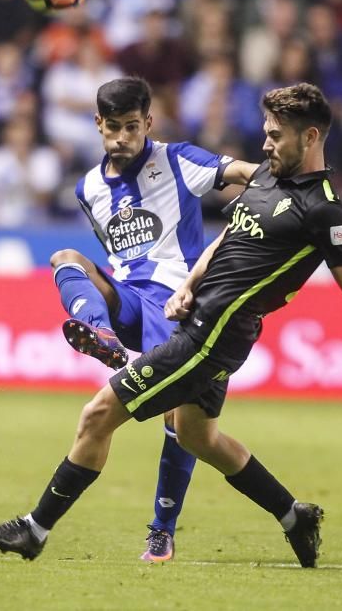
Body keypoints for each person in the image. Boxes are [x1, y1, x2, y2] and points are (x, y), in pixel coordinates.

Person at [0, 82, 342, 568]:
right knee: (199, 437)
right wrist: (188, 283)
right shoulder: (268, 181)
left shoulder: (324, 210)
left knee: (99, 414)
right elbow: (227, 239)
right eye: (265, 133)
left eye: (275, 136)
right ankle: (293, 515)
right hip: (198, 316)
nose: (265, 145)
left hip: (211, 336)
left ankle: (35, 529)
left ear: (309, 137)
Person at [40, 76, 257, 562]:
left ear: (149, 123)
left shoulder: (178, 159)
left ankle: (162, 528)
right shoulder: (88, 188)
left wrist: (267, 185)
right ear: (97, 124)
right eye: (112, 127)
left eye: (132, 127)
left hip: (178, 300)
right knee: (66, 257)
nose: (122, 138)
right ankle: (98, 332)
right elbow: (114, 250)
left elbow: (242, 171)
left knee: (182, 421)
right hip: (128, 300)